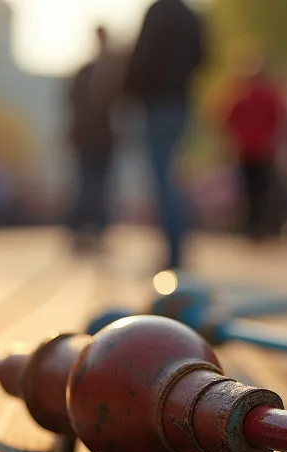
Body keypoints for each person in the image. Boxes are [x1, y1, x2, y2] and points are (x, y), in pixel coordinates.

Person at [123, 0, 206, 270]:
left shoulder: (158, 12)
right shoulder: (192, 16)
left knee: (163, 181)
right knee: (175, 177)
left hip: (157, 104)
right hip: (181, 104)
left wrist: (129, 93)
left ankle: (173, 252)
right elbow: (203, 58)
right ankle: (178, 247)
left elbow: (142, 57)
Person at [221, 49, 287, 243]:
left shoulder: (239, 94)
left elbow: (225, 120)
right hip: (262, 150)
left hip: (248, 150)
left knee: (250, 192)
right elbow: (280, 120)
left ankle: (253, 227)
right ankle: (260, 227)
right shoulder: (269, 94)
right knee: (262, 191)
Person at [65, 25, 121, 253]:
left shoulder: (101, 71)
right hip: (93, 138)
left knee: (92, 184)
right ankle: (85, 230)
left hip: (97, 138)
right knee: (89, 184)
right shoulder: (104, 71)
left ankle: (90, 230)